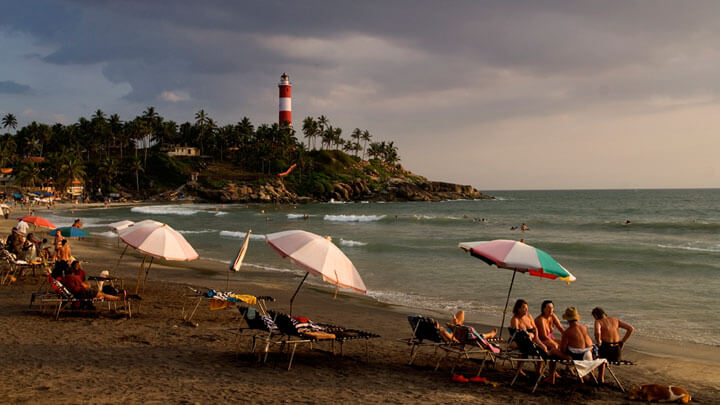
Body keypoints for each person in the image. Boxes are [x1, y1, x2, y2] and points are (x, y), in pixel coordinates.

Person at [592, 307, 634, 382]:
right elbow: (631, 329)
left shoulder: (598, 322)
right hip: (616, 353)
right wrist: (623, 341)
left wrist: (598, 342)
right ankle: (600, 375)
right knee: (601, 355)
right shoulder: (615, 320)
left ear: (595, 315)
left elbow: (597, 333)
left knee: (595, 354)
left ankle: (600, 377)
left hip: (606, 350)